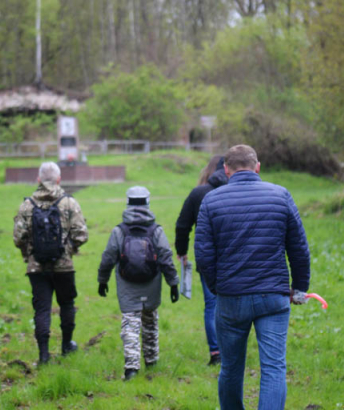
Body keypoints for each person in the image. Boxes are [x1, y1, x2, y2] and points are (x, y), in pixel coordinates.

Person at [195, 144, 311, 410]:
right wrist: (299, 289)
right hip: (274, 296)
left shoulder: (211, 200)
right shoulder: (281, 195)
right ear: (258, 167)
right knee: (273, 368)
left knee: (232, 367)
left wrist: (219, 287)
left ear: (227, 170)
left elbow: (203, 255)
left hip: (231, 298)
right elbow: (299, 247)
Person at [97, 186, 180, 381]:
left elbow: (108, 257)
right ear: (148, 202)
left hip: (127, 284)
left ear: (127, 203)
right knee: (150, 319)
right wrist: (173, 283)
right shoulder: (156, 230)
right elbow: (166, 257)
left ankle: (131, 368)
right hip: (151, 283)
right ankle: (151, 360)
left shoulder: (119, 231)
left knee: (130, 323)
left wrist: (103, 279)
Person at [13, 162, 88, 366]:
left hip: (37, 267)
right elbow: (81, 234)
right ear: (59, 179)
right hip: (64, 266)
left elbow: (18, 238)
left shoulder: (27, 205)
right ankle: (66, 345)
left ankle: (44, 355)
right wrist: (68, 250)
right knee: (67, 304)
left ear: (38, 180)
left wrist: (29, 254)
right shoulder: (69, 203)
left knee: (42, 310)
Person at [175, 154, 229, 366]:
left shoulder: (199, 193)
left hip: (208, 259)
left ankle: (216, 353)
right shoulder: (236, 191)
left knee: (212, 305)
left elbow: (182, 225)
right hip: (235, 257)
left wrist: (182, 251)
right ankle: (232, 350)